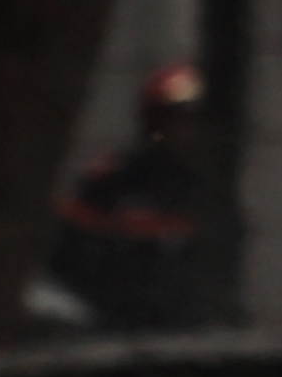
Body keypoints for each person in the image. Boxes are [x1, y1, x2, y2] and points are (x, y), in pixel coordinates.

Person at [42, 62, 218, 334]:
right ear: (152, 121)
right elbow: (68, 258)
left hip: (183, 335)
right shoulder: (111, 182)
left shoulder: (203, 189)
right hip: (111, 330)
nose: (184, 130)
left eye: (192, 119)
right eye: (173, 118)